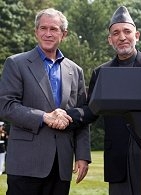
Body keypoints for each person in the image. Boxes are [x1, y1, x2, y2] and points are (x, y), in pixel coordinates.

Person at [59, 5, 141, 195]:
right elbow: (91, 110)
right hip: (118, 156)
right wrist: (65, 116)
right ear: (109, 40)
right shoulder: (101, 72)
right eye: (116, 33)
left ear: (137, 35)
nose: (122, 37)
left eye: (126, 31)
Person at [0, 8, 91, 195]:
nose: (48, 34)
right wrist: (44, 117)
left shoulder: (75, 70)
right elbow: (5, 106)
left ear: (63, 34)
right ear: (36, 32)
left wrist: (82, 156)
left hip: (61, 164)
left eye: (54, 29)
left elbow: (82, 115)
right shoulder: (16, 63)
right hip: (26, 163)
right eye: (43, 28)